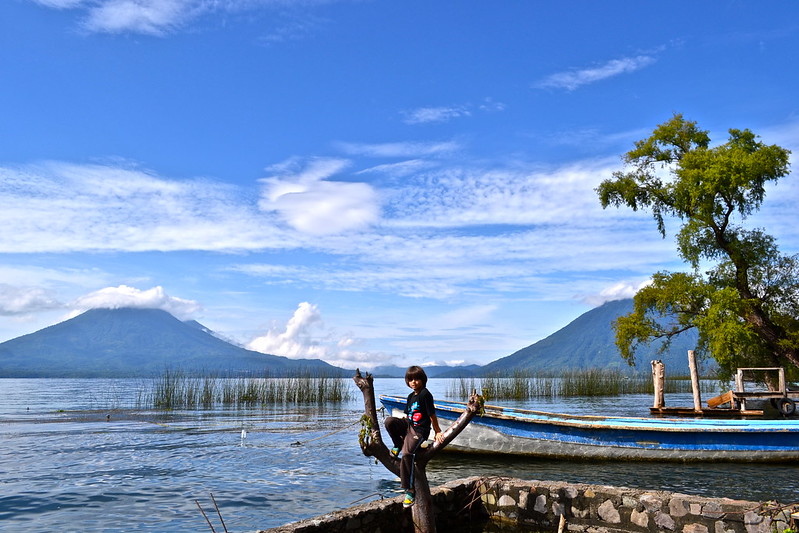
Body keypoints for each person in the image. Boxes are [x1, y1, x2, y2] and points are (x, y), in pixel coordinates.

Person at [384, 365, 445, 508]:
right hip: (409, 425)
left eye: (417, 379)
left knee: (407, 454)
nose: (414, 382)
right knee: (389, 421)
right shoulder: (411, 396)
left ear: (423, 380)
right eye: (410, 379)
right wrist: (403, 430)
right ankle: (398, 444)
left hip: (419, 430)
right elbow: (408, 415)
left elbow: (431, 415)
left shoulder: (425, 394)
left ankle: (409, 490)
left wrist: (437, 431)